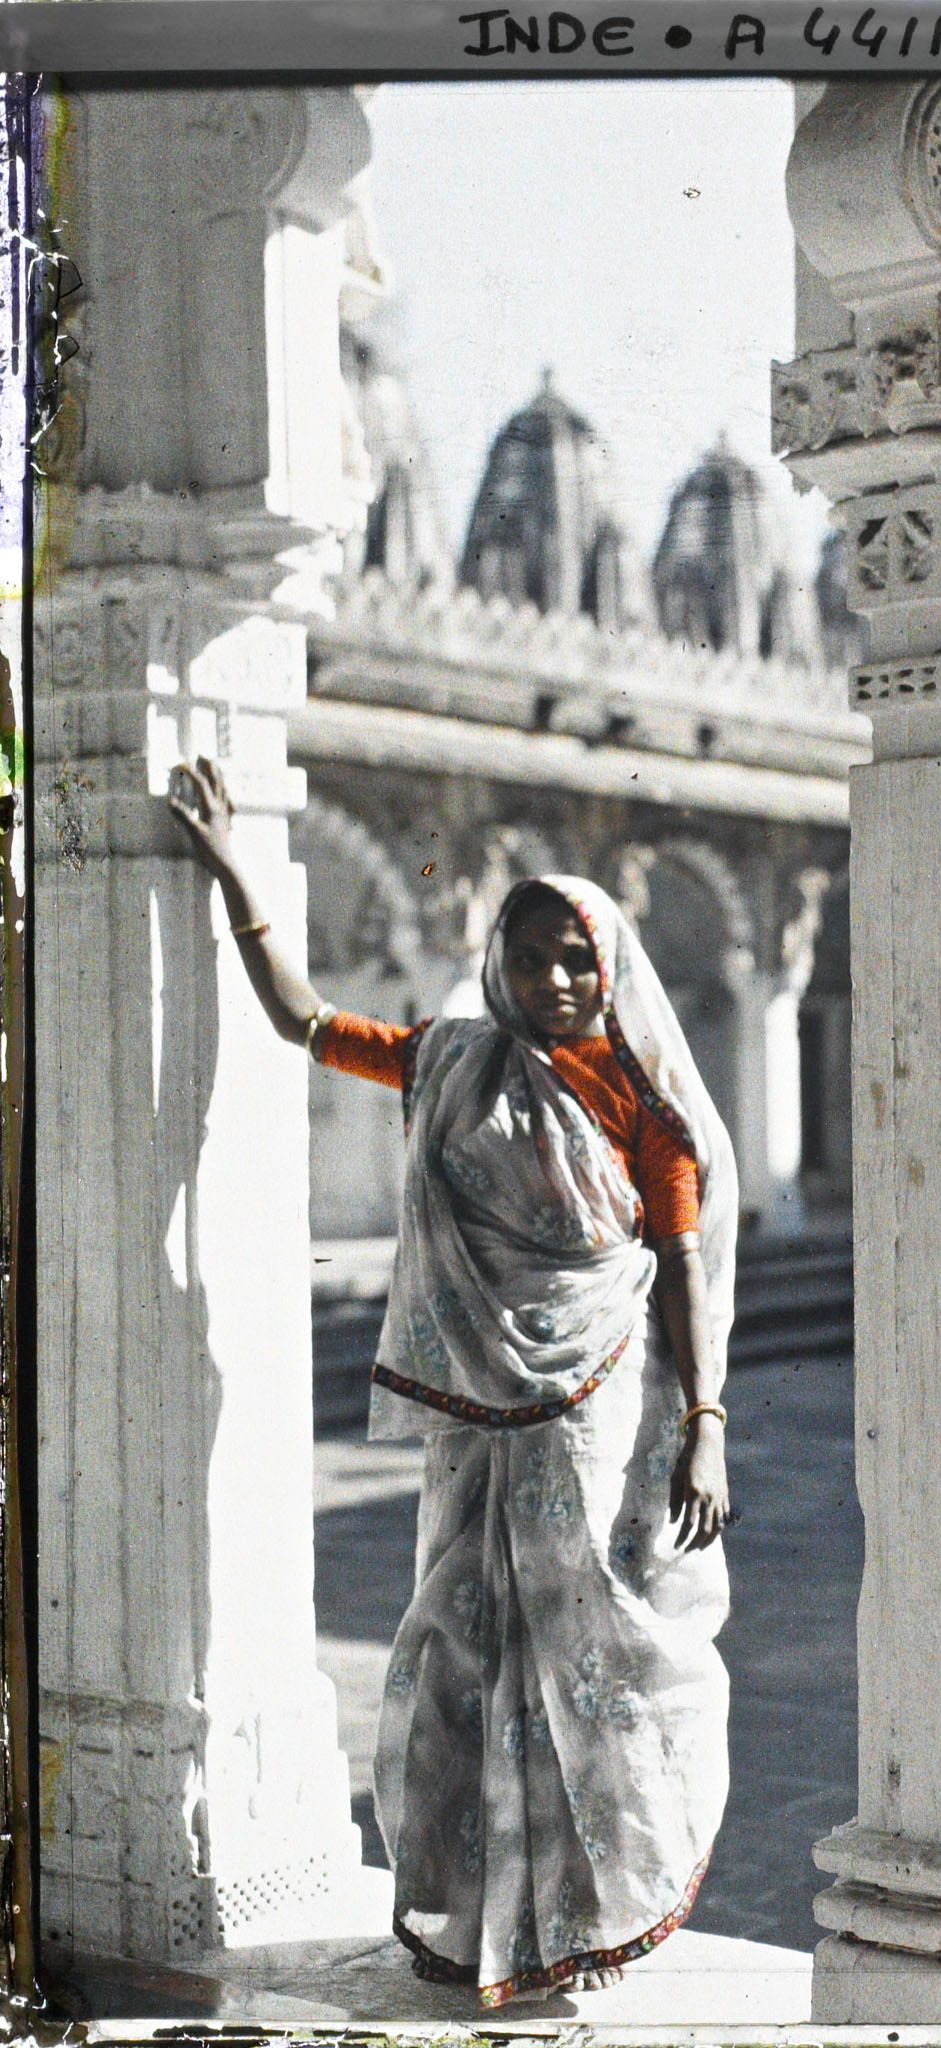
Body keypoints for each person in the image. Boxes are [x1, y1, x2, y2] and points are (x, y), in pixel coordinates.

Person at [169, 757, 737, 2008]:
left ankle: (593, 1911)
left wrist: (705, 1422)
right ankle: (493, 1918)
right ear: (498, 963)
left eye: (576, 959)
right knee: (473, 1648)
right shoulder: (456, 1059)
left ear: (611, 966)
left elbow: (684, 1269)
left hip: (599, 1417)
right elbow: (306, 1021)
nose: (555, 980)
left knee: (596, 1656)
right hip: (481, 1417)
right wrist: (232, 872)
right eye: (531, 958)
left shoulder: (645, 1102)